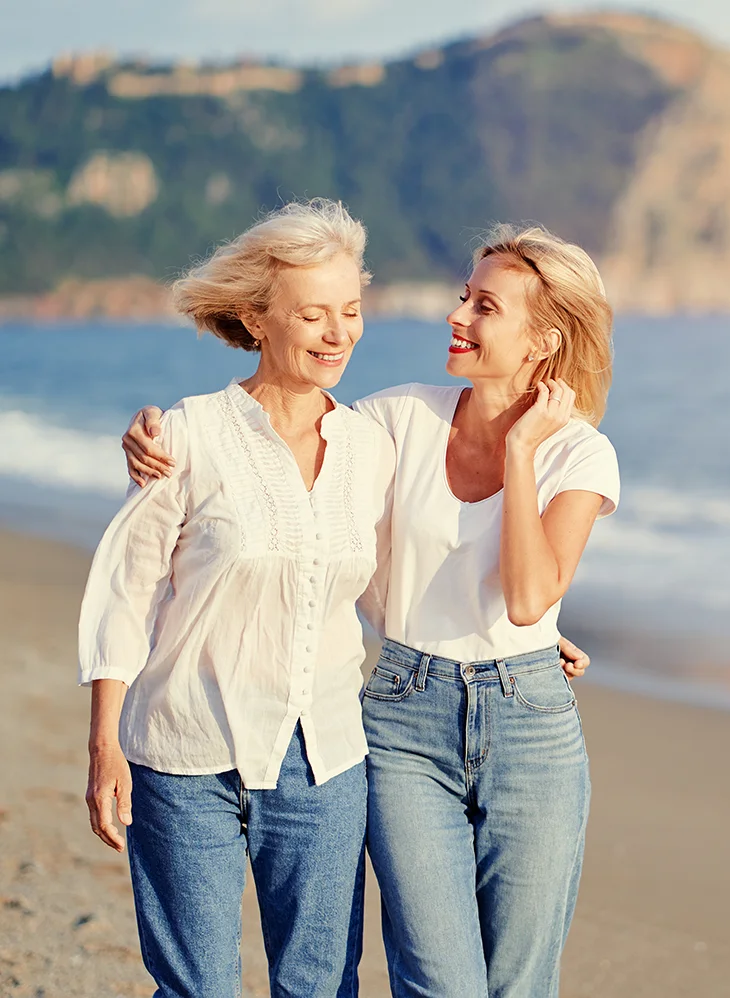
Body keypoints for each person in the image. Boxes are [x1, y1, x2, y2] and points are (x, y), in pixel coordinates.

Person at [123, 223, 617, 997]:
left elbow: (526, 598)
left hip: (530, 721)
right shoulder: (393, 420)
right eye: (464, 297)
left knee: (521, 982)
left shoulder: (578, 452)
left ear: (542, 339)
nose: (457, 317)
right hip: (402, 714)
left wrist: (521, 454)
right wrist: (163, 439)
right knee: (439, 982)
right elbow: (277, 467)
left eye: (485, 306)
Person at [81, 199, 394, 998]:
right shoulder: (185, 436)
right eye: (313, 315)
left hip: (324, 759)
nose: (338, 334)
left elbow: (398, 584)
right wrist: (103, 744)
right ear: (257, 320)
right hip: (186, 751)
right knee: (197, 989)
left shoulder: (370, 448)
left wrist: (515, 638)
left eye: (351, 311)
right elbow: (126, 591)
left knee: (320, 985)